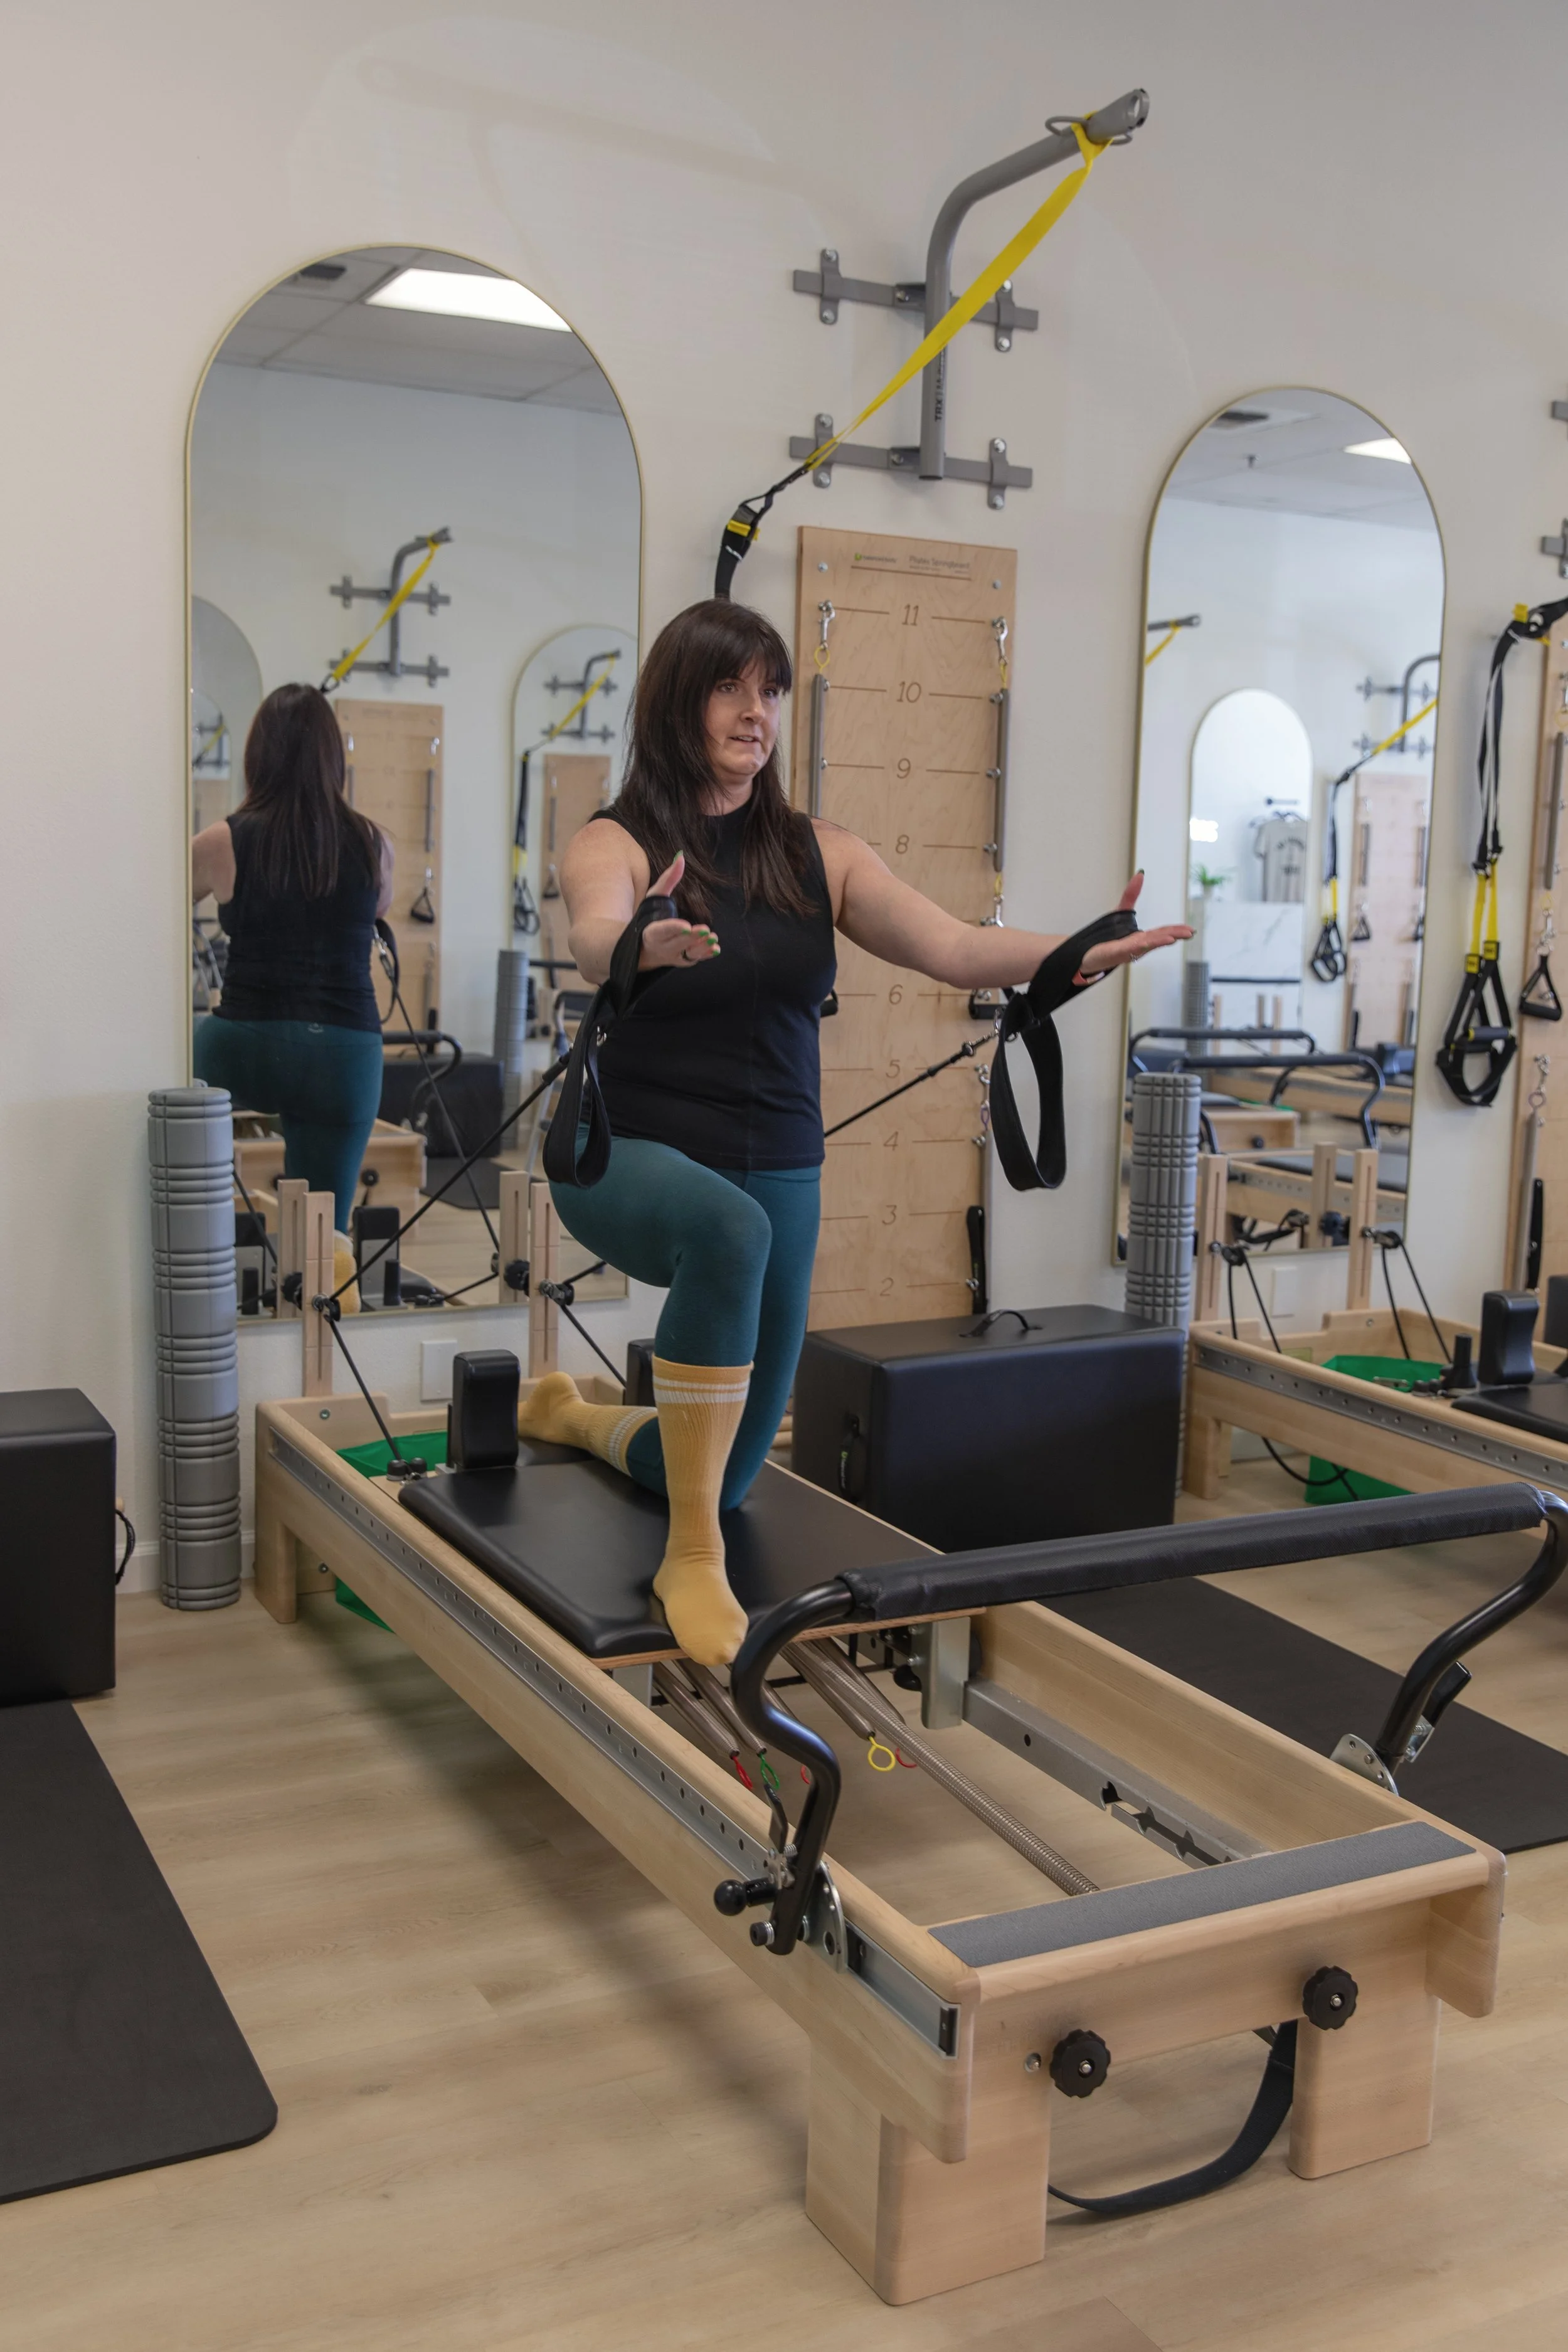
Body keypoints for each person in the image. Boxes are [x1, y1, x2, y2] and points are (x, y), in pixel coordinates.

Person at [519, 600, 1189, 1663]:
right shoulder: (616, 840)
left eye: (771, 690)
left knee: (732, 1467)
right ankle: (688, 1556)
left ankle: (573, 1416)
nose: (756, 713)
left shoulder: (816, 852)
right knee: (727, 1239)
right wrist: (640, 940)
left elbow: (958, 949)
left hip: (780, 1160)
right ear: (675, 702)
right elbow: (597, 932)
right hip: (630, 1157)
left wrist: (1082, 950)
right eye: (730, 688)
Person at [193, 683, 393, 1235]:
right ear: (335, 759)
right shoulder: (374, 843)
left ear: (259, 757)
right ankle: (318, 1294)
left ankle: (196, 1236)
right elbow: (378, 906)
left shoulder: (220, 840)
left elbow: (153, 918)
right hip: (346, 1058)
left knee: (162, 1064)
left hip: (245, 1047)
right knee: (325, 1234)